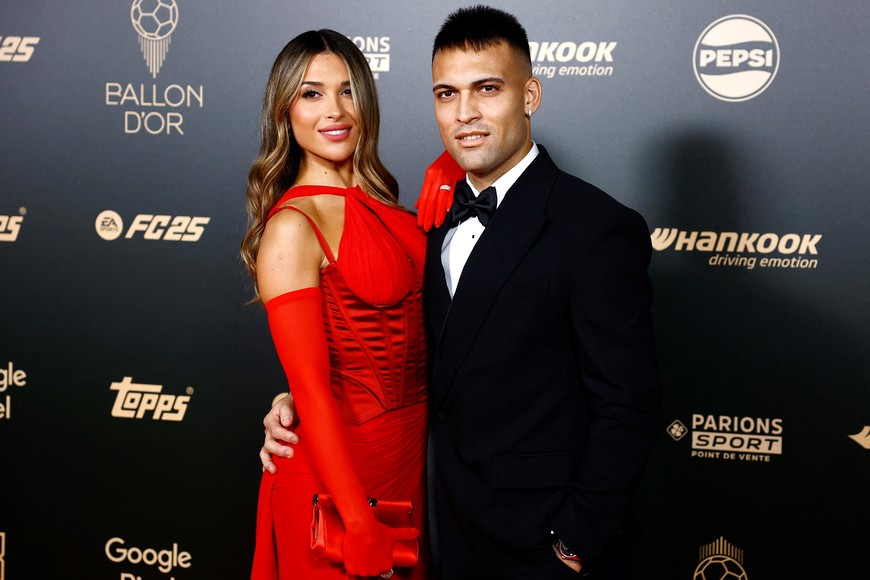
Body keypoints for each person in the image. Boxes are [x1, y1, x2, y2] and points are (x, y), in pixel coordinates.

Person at [261, 7, 662, 579]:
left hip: (535, 540)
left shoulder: (595, 227)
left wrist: (574, 543)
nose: (465, 113)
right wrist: (295, 399)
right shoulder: (434, 215)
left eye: (488, 89)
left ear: (531, 95)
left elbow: (629, 404)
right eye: (447, 94)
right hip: (428, 516)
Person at [241, 29, 427, 580]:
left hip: (412, 464)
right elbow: (313, 390)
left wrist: (455, 178)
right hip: (337, 484)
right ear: (285, 110)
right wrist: (359, 522)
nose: (335, 110)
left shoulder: (396, 210)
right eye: (312, 94)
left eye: (348, 91)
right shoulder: (293, 227)